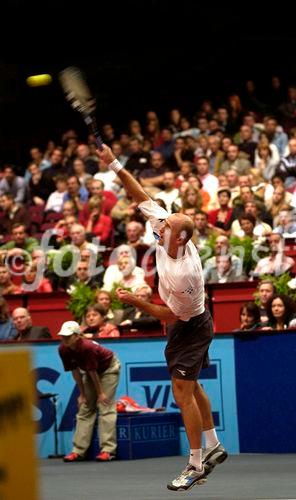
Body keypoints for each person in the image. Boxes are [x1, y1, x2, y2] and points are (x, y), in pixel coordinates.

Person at [97, 143, 228, 491]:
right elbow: (137, 192)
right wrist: (113, 163)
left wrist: (133, 301)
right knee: (193, 385)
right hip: (187, 323)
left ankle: (196, 464)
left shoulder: (186, 275)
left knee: (181, 394)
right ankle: (213, 444)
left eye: (166, 224)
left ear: (179, 237)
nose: (159, 223)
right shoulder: (166, 227)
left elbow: (168, 315)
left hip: (192, 325)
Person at [58, 321, 121, 462]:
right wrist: (82, 394)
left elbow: (93, 372)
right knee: (85, 407)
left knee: (105, 405)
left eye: (68, 336)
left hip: (108, 369)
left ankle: (108, 451)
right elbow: (75, 371)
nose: (65, 339)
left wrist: (100, 393)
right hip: (89, 372)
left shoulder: (87, 347)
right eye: (63, 336)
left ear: (77, 336)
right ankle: (78, 451)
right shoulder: (63, 349)